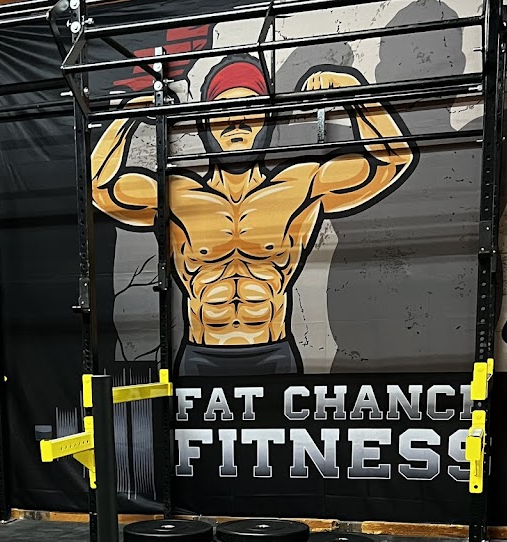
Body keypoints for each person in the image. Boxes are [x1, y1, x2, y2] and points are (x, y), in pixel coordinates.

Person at [91, 55, 416, 375]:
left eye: (249, 107)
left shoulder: (300, 186)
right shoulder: (177, 195)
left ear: (265, 119)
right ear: (206, 123)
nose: (237, 120)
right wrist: (127, 116)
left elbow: (393, 160)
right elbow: (99, 187)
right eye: (223, 110)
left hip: (272, 352)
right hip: (201, 354)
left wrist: (351, 89)